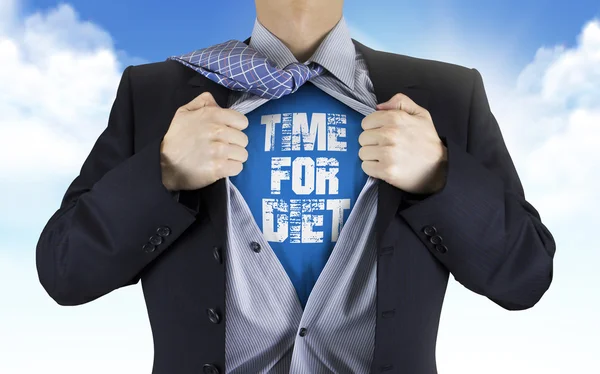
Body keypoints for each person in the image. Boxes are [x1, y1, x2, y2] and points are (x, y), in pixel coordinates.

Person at [35, 0, 556, 373]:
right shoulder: (154, 93)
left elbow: (524, 275)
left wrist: (440, 175)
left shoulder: (448, 94)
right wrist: (162, 171)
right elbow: (65, 271)